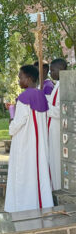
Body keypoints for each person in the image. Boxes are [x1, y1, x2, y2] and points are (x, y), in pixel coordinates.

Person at [4, 65, 53, 212]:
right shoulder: (40, 95)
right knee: (37, 173)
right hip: (38, 144)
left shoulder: (25, 97)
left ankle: (23, 206)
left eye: (21, 77)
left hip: (24, 143)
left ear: (29, 78)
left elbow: (18, 123)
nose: (19, 81)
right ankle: (40, 203)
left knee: (23, 174)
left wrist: (11, 122)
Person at [48, 58, 67, 191]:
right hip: (52, 128)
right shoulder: (58, 85)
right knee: (53, 159)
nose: (50, 73)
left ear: (60, 69)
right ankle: (54, 187)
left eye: (52, 70)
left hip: (58, 129)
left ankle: (58, 188)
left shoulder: (64, 87)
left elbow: (61, 111)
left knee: (57, 160)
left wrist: (45, 106)